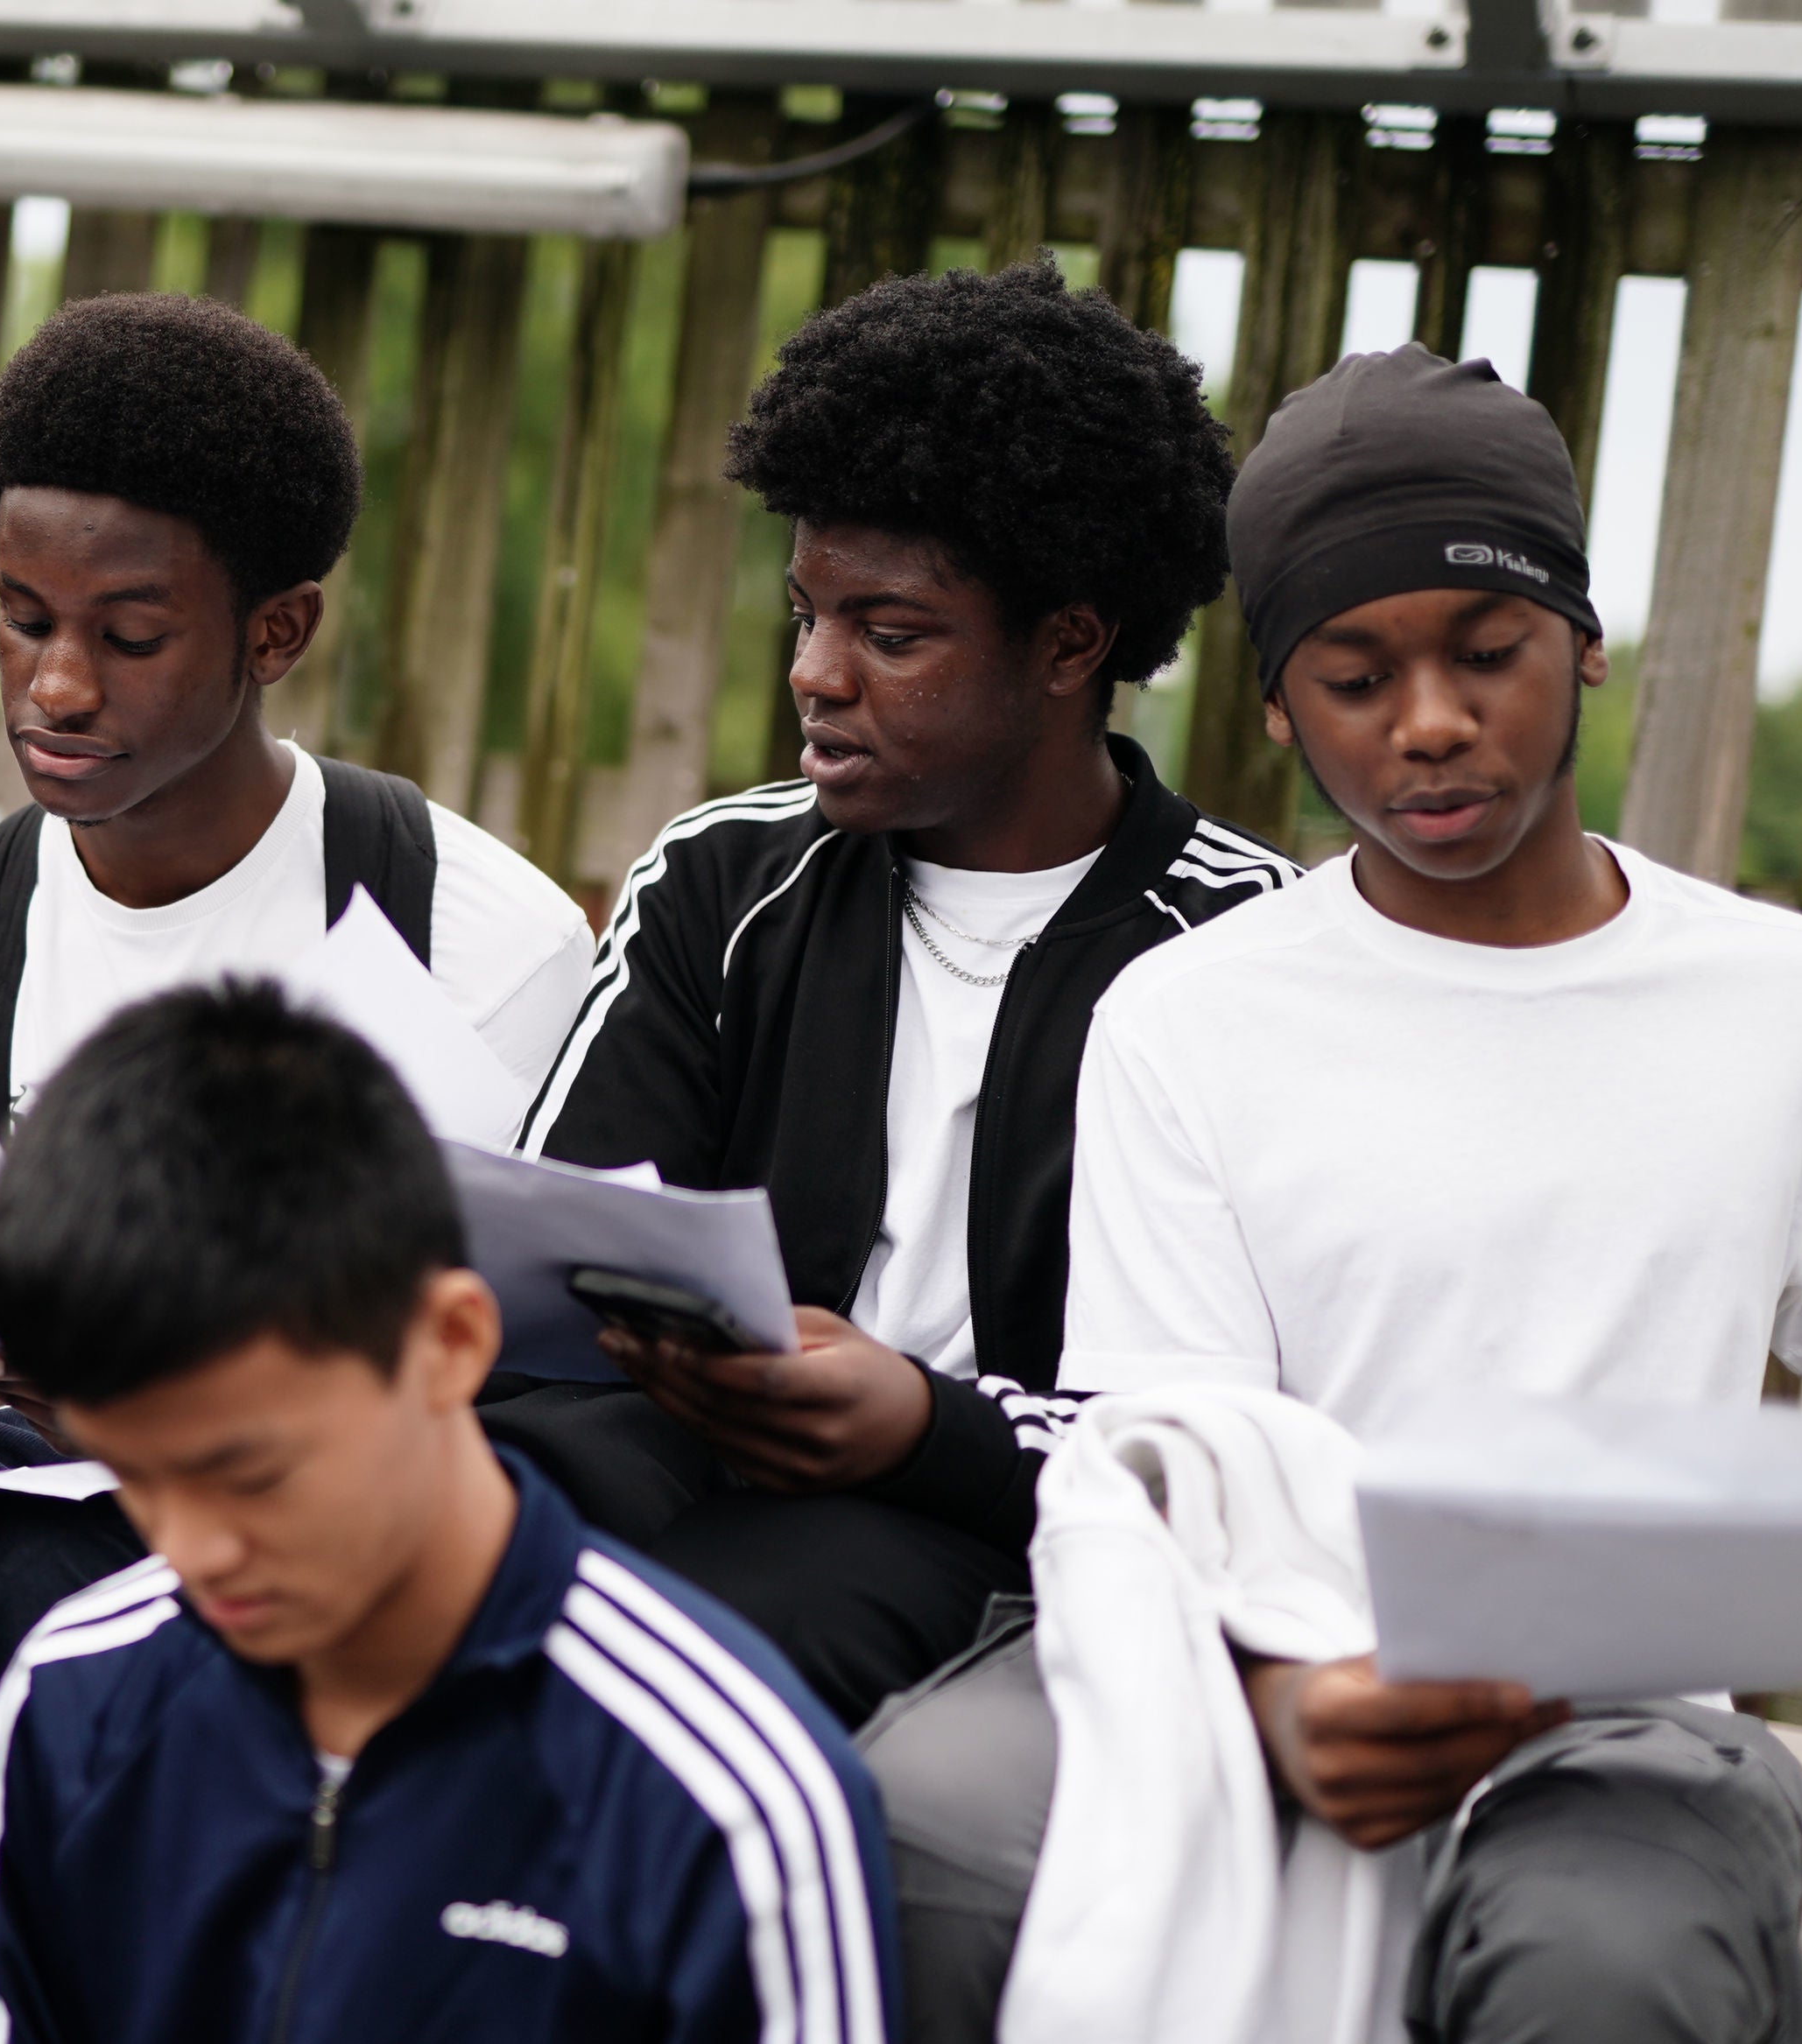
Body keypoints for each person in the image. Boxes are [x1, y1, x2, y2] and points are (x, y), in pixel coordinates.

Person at [866, 345, 1802, 2040]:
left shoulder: (1795, 1000)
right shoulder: (1189, 1013)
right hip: (1240, 1651)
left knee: (1605, 1965)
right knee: (927, 1834)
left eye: (1486, 655)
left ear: (1582, 645)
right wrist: (1286, 1704)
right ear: (1275, 708)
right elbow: (1179, 1456)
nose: (1428, 723)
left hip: (1617, 1702)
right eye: (1351, 677)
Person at [499, 258, 1286, 1725]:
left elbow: (1223, 1438)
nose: (816, 673)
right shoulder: (725, 881)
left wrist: (926, 1428)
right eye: (806, 614)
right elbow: (553, 1253)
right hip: (679, 1461)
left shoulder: (1237, 950)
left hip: (1012, 1532)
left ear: (1070, 643)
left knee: (683, 1652)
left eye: (891, 632)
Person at [0, 291, 592, 1556]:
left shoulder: (476, 940)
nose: (56, 687)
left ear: (275, 631)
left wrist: (163, 1402)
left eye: (129, 636)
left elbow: (493, 1381)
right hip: (37, 1466)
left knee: (32, 1572)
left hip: (339, 1516)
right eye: (25, 619)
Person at [0, 979, 901, 2043]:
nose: (192, 1550)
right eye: (134, 1475)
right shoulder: (71, 1695)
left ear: (448, 1344)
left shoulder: (723, 1785)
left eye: (251, 1474)